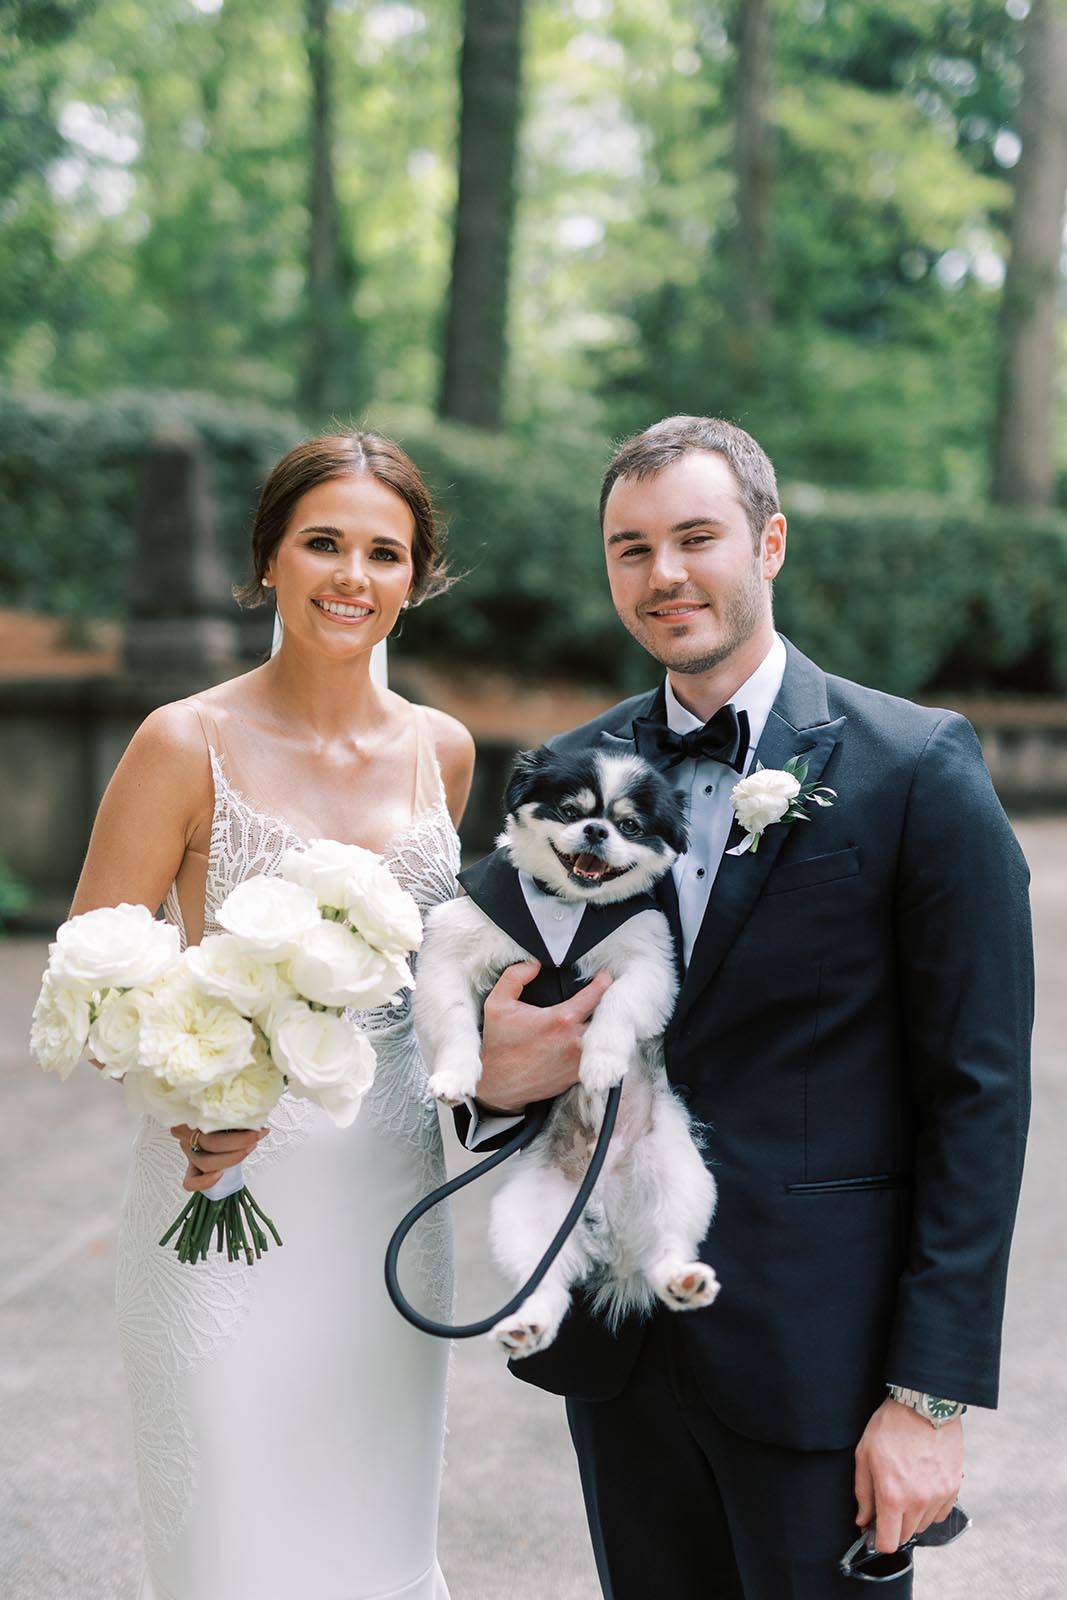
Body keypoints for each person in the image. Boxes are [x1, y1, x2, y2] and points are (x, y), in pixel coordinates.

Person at [457, 415, 1033, 1599]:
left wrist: (926, 1398)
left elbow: (976, 1097)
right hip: (621, 1340)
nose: (662, 573)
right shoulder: (569, 773)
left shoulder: (913, 765)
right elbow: (476, 984)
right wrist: (489, 1075)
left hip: (822, 1359)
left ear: (768, 542)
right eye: (629, 547)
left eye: (694, 536)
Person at [69, 430, 474, 1600]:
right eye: (323, 543)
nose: (352, 575)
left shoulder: (440, 754)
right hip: (220, 1197)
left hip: (391, 1208)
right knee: (230, 1551)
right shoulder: (182, 740)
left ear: (416, 576)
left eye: (383, 552)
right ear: (267, 562)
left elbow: (436, 973)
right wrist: (190, 1094)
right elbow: (97, 981)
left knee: (373, 1547)